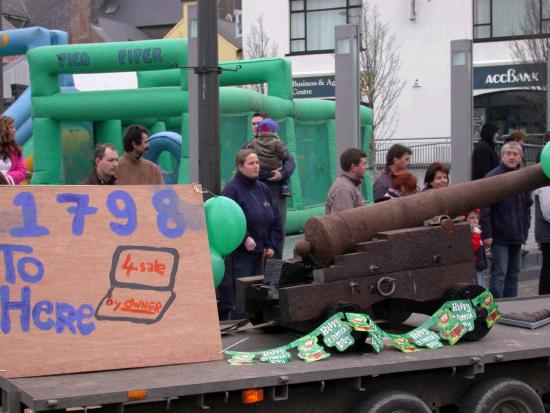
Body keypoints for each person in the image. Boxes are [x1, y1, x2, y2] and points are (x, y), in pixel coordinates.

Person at [217, 149, 282, 320]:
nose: (256, 167)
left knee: (262, 292)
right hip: (241, 255)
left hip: (263, 254)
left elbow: (275, 219)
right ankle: (240, 324)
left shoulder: (263, 188)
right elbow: (227, 220)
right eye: (251, 163)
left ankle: (258, 323)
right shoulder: (232, 190)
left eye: (258, 163)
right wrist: (244, 237)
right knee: (243, 294)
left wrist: (271, 244)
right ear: (240, 166)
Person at [480, 142, 532, 298]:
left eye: (515, 154)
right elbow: (485, 208)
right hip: (499, 235)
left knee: (514, 274)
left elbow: (527, 206)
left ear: (520, 157)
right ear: (502, 156)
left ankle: (512, 306)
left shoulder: (524, 177)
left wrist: (526, 228)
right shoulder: (492, 177)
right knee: (499, 274)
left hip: (517, 234)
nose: (511, 157)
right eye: (508, 153)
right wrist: (487, 234)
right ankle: (496, 308)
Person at [244, 112, 295, 259]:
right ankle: (259, 269)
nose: (256, 127)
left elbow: (290, 163)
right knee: (258, 228)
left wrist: (282, 174)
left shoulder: (278, 144)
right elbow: (245, 169)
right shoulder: (248, 145)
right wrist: (267, 174)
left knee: (277, 228)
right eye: (253, 124)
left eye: (258, 123)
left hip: (276, 192)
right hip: (255, 193)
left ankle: (275, 271)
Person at [250, 118, 291, 196]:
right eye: (253, 123)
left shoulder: (254, 142)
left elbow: (249, 152)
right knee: (283, 170)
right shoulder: (277, 142)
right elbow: (283, 154)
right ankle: (285, 188)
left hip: (261, 168)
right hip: (275, 167)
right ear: (274, 130)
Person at [325, 147, 367, 214]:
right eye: (364, 164)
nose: (367, 167)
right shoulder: (343, 189)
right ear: (353, 167)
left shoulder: (348, 185)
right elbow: (345, 222)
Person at [0, 115, 26, 185]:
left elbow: (22, 171)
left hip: (8, 188)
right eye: (11, 127)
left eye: (14, 127)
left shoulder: (16, 149)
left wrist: (6, 177)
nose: (15, 130)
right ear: (3, 129)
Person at [534, 185, 550, 295]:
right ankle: (545, 296)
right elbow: (548, 213)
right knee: (548, 267)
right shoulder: (545, 188)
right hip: (547, 235)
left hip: (546, 234)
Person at [467, 209, 488, 288]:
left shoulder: (477, 232)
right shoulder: (473, 233)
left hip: (479, 266)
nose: (475, 220)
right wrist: (476, 234)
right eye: (472, 218)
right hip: (474, 268)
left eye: (477, 218)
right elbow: (473, 248)